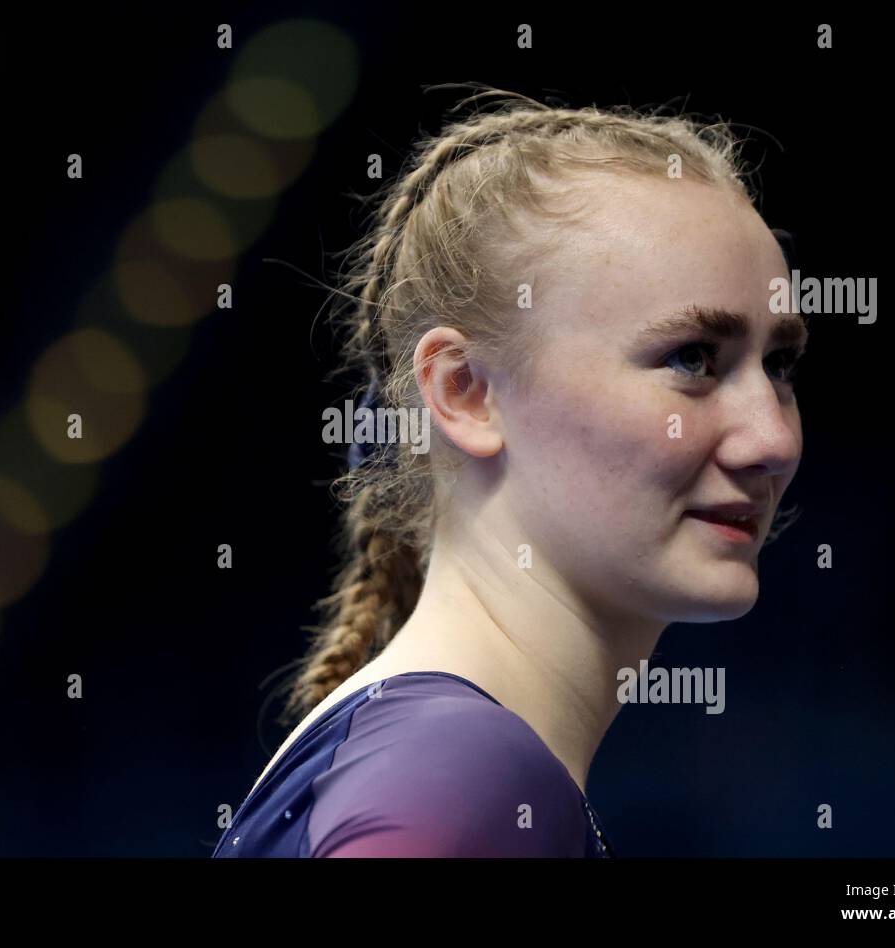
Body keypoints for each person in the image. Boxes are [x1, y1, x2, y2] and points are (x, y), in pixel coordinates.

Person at [214, 87, 806, 857]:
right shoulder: (466, 777)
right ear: (466, 391)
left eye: (782, 364)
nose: (772, 440)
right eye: (691, 358)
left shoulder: (435, 762)